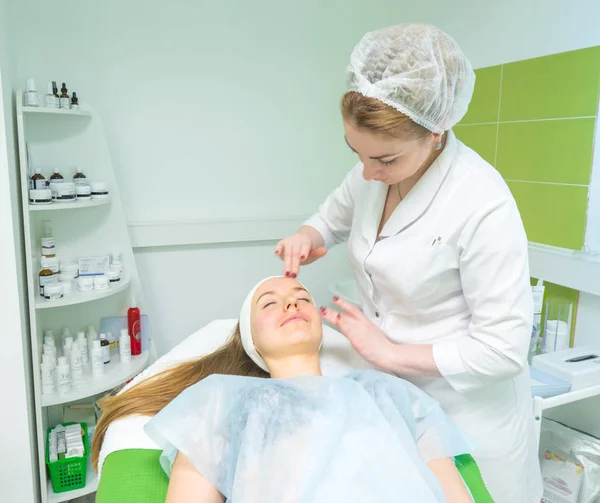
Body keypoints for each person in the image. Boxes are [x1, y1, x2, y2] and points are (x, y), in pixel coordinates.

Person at [274, 24, 542, 503]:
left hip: (467, 410)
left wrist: (389, 354)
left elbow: (503, 351)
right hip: (391, 396)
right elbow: (331, 217)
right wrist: (307, 236)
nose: (367, 173)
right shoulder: (374, 167)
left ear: (435, 132)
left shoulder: (482, 201)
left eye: (384, 160)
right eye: (354, 152)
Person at [92, 276, 476, 503]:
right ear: (251, 341)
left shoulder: (387, 394)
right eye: (269, 303)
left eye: (302, 297)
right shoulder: (221, 404)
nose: (291, 301)